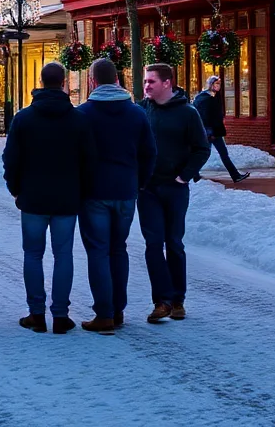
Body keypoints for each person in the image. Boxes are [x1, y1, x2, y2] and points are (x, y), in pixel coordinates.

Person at [2, 61, 96, 335]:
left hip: (32, 198)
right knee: (63, 254)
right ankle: (60, 315)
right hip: (67, 199)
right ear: (64, 82)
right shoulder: (78, 119)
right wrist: (82, 190)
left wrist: (15, 188)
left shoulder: (24, 118)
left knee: (33, 254)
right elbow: (89, 161)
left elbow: (11, 159)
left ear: (41, 83)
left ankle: (36, 313)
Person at [76, 58, 156, 333]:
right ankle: (118, 309)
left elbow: (76, 157)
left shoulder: (83, 114)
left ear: (93, 81)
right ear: (118, 80)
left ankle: (104, 313)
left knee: (98, 251)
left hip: (94, 192)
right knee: (118, 248)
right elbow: (149, 153)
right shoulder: (136, 114)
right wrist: (139, 183)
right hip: (125, 191)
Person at [138, 63, 211, 324]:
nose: (146, 86)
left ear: (167, 83)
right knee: (153, 244)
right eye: (145, 82)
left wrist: (184, 175)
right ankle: (161, 301)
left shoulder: (187, 113)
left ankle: (178, 298)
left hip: (175, 188)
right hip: (147, 190)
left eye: (151, 82)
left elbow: (202, 149)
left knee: (174, 243)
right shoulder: (141, 110)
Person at [194, 75, 249, 183]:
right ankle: (193, 173)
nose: (218, 86)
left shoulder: (214, 97)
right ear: (210, 85)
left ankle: (235, 175)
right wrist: (209, 131)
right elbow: (206, 116)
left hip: (215, 130)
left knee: (222, 153)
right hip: (210, 131)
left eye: (219, 84)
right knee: (205, 153)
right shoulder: (206, 98)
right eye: (216, 84)